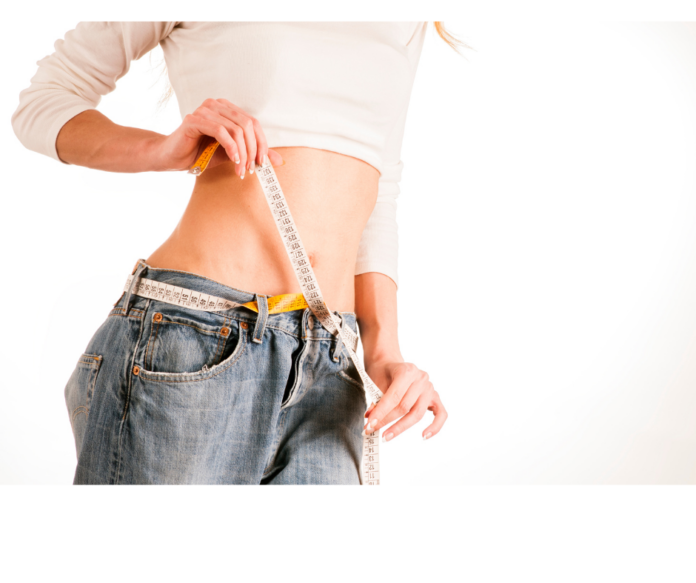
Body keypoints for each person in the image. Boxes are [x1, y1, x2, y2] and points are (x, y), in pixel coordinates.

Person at [11, 21, 455, 485]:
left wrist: (384, 348)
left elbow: (381, 182)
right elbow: (43, 101)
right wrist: (163, 150)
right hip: (195, 336)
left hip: (331, 358)